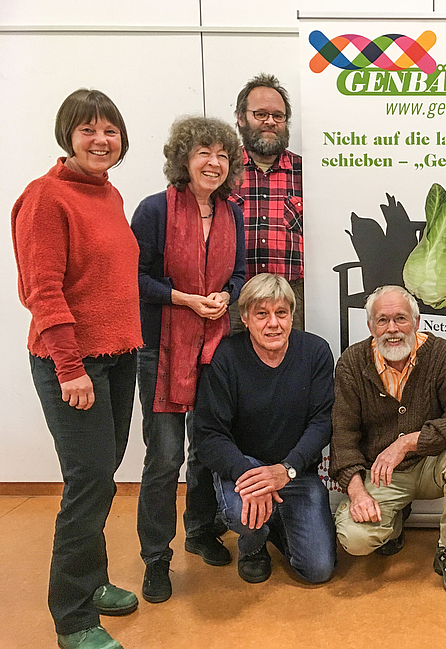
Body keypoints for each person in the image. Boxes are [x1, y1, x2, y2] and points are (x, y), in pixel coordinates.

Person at [12, 89, 141, 649]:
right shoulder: (45, 197)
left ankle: (92, 581)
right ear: (67, 135)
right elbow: (42, 290)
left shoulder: (108, 195)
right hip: (73, 363)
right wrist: (69, 367)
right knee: (88, 483)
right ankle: (73, 618)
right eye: (88, 130)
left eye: (109, 130)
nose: (100, 140)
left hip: (118, 357)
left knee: (101, 476)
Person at [130, 116, 246, 604]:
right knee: (164, 457)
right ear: (184, 158)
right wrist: (183, 298)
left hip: (213, 347)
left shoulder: (232, 213)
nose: (213, 163)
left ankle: (201, 531)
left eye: (222, 155)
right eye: (204, 153)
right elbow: (134, 278)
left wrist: (226, 294)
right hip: (160, 347)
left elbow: (239, 272)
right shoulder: (154, 210)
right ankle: (156, 558)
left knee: (205, 448)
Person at [331, 285, 446, 598]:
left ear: (416, 322)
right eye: (382, 320)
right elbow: (342, 436)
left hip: (433, 465)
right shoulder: (351, 363)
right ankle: (394, 521)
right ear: (370, 326)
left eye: (400, 319)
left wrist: (408, 443)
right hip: (383, 474)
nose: (392, 329)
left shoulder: (443, 355)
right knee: (355, 539)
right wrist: (358, 493)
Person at [193, 274, 336, 585]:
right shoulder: (225, 357)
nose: (273, 323)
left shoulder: (316, 352)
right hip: (244, 471)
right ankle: (253, 545)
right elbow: (209, 434)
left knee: (318, 570)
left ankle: (274, 522)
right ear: (245, 318)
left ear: (292, 316)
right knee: (242, 515)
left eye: (281, 313)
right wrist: (250, 475)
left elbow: (322, 422)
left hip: (296, 472)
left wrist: (287, 469)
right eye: (262, 314)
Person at [230, 73, 304, 331]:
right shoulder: (221, 172)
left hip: (293, 301)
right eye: (260, 114)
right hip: (234, 300)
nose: (270, 122)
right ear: (241, 118)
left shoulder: (307, 174)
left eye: (278, 116)